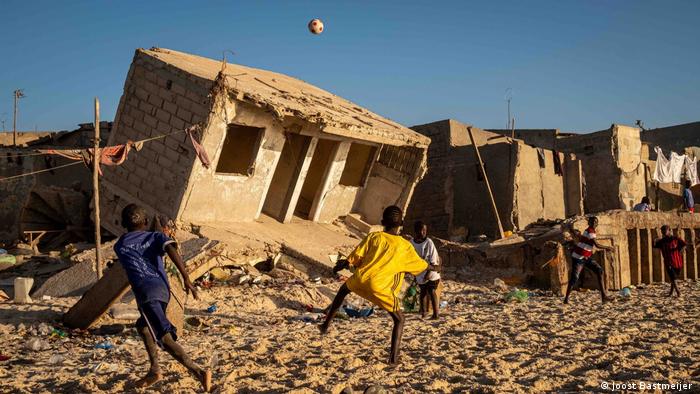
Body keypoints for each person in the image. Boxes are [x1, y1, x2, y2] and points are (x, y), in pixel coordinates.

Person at [115, 204, 212, 391]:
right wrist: (186, 278)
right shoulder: (157, 237)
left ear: (123, 224)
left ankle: (198, 372)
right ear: (145, 221)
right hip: (161, 289)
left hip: (145, 293)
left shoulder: (120, 245)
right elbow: (171, 250)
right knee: (143, 326)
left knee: (164, 338)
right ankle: (154, 370)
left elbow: (136, 244)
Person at [319, 206, 428, 365]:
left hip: (360, 279)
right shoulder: (404, 246)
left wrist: (343, 264)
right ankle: (393, 359)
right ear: (402, 223)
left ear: (382, 222)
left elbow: (355, 257)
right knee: (400, 320)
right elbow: (421, 266)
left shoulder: (374, 237)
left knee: (343, 291)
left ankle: (325, 325)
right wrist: (434, 267)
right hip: (380, 288)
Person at [564, 216, 615, 304]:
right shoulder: (590, 231)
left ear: (597, 224)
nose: (594, 224)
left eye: (595, 222)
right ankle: (566, 299)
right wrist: (608, 247)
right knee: (575, 278)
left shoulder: (590, 231)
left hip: (586, 257)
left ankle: (604, 296)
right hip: (578, 257)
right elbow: (597, 245)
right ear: (589, 223)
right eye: (592, 222)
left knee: (599, 271)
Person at [410, 221, 441, 320]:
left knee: (432, 291)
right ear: (416, 231)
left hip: (431, 272)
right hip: (420, 273)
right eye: (421, 230)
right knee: (423, 292)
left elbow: (433, 259)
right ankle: (423, 312)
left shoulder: (429, 242)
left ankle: (436, 314)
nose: (423, 232)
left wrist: (428, 274)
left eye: (425, 230)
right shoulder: (411, 243)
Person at [653, 225, 685, 297]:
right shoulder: (662, 241)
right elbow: (655, 246)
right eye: (662, 231)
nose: (663, 232)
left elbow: (684, 244)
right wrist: (654, 240)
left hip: (677, 261)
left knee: (673, 278)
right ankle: (678, 292)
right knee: (673, 277)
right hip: (668, 262)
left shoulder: (675, 239)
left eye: (665, 231)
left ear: (669, 230)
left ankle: (671, 292)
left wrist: (680, 251)